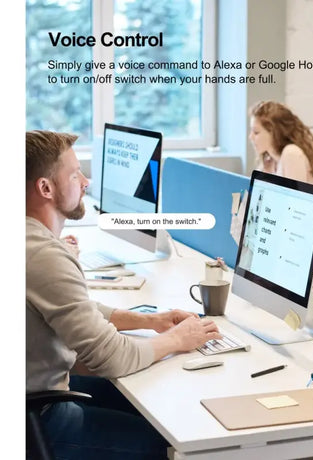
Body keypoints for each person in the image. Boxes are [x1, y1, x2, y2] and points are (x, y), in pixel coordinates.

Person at [26, 130, 222, 458]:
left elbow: (75, 308)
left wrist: (149, 320)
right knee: (167, 443)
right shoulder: (44, 254)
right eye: (75, 174)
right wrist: (178, 339)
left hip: (32, 395)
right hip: (40, 420)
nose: (86, 182)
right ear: (46, 188)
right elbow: (112, 358)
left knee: (149, 404)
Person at [248, 100, 313, 184]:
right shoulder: (270, 160)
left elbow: (295, 196)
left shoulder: (291, 153)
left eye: (256, 132)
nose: (250, 137)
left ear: (274, 133)